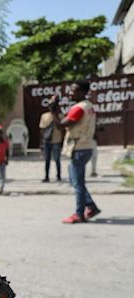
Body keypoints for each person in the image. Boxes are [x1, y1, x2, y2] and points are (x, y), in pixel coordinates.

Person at [50, 80, 101, 224]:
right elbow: (67, 120)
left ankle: (79, 214)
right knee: (76, 180)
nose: (70, 93)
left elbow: (60, 125)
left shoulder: (79, 108)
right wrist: (56, 109)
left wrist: (52, 110)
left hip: (79, 148)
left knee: (77, 183)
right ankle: (91, 206)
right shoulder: (88, 106)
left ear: (83, 92)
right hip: (86, 147)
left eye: (74, 91)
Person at [39, 110, 63, 182]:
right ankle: (46, 176)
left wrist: (54, 115)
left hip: (56, 140)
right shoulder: (44, 116)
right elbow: (42, 129)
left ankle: (58, 176)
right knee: (47, 160)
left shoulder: (60, 116)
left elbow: (61, 126)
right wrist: (41, 142)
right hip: (47, 140)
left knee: (57, 159)